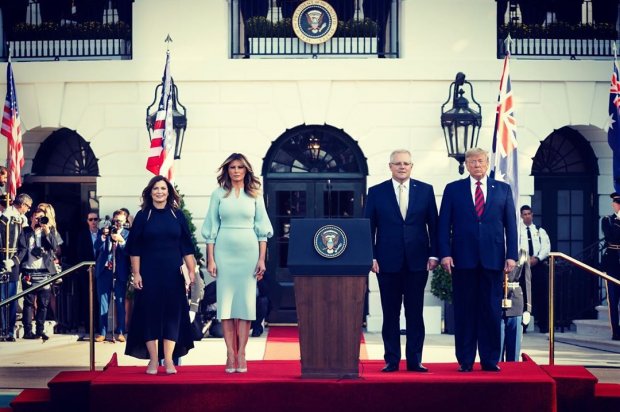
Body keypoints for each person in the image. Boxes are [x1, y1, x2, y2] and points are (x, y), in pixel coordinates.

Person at [438, 147, 518, 372]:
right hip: (462, 260)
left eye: (480, 161)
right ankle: (465, 360)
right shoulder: (453, 189)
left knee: (491, 311)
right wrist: (445, 253)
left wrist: (511, 255)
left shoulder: (502, 189)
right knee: (464, 311)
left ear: (487, 163)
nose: (477, 165)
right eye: (472, 161)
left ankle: (490, 360)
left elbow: (511, 226)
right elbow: (443, 224)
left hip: (493, 260)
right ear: (466, 164)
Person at [363, 149, 438, 373]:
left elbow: (434, 225)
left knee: (415, 313)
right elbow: (368, 227)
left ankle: (415, 360)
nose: (402, 167)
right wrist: (370, 256)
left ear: (411, 166)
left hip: (418, 262)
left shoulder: (425, 190)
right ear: (390, 167)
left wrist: (434, 254)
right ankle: (392, 360)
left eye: (406, 163)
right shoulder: (376, 192)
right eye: (397, 163)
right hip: (387, 263)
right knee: (390, 314)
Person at [201, 153, 273, 373]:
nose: (236, 171)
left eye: (240, 167)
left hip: (249, 254)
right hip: (224, 253)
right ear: (227, 170)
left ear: (246, 170)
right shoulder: (218, 194)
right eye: (232, 167)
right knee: (226, 306)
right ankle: (230, 354)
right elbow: (211, 228)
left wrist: (261, 259)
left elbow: (262, 230)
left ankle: (241, 353)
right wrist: (211, 259)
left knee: (244, 305)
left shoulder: (255, 195)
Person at [124, 175, 196, 375]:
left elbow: (186, 246)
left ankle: (169, 360)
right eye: (156, 188)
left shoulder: (177, 215)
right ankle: (154, 360)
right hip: (149, 273)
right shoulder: (143, 216)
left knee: (172, 316)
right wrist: (136, 273)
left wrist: (191, 271)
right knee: (150, 315)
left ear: (168, 192)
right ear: (150, 192)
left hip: (173, 273)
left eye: (163, 188)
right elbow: (135, 248)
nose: (159, 192)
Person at [15, 207, 61, 340]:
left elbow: (55, 247)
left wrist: (46, 231)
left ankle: (40, 330)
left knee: (43, 304)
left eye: (42, 218)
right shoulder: (25, 231)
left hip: (44, 272)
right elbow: (22, 248)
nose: (39, 221)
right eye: (36, 218)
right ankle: (28, 331)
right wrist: (33, 230)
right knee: (29, 303)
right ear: (31, 218)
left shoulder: (49, 231)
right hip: (29, 271)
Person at [94, 209, 130, 342]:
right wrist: (104, 237)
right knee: (103, 304)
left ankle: (120, 332)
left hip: (119, 272)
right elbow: (96, 246)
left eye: (120, 221)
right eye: (115, 221)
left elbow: (129, 252)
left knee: (120, 302)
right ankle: (102, 332)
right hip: (104, 271)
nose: (117, 223)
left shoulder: (128, 234)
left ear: (125, 221)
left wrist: (121, 241)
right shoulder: (104, 231)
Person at [0, 193, 31, 341]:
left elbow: (23, 248)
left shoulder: (20, 222)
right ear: (22, 204)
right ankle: (2, 330)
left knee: (11, 299)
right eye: (28, 206)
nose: (28, 210)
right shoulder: (3, 219)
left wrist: (13, 261)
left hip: (12, 266)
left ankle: (10, 331)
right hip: (0, 264)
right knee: (1, 298)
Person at [519, 205, 550, 333]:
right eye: (524, 214)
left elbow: (546, 247)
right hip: (523, 267)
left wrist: (537, 258)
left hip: (538, 266)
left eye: (529, 214)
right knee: (524, 298)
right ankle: (523, 327)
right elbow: (516, 247)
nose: (527, 216)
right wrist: (526, 259)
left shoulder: (540, 230)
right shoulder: (518, 232)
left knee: (542, 296)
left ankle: (544, 325)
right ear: (521, 216)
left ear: (532, 214)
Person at [500, 249, 532, 362]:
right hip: (497, 300)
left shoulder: (522, 253)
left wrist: (528, 308)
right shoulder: (493, 250)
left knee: (514, 350)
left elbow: (526, 282)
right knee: (496, 350)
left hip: (516, 301)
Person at [75, 211, 101, 335]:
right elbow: (79, 253)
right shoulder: (82, 235)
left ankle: (99, 327)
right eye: (91, 219)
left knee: (99, 299)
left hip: (101, 272)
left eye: (95, 219)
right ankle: (88, 326)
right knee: (87, 299)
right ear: (87, 221)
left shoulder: (103, 234)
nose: (93, 222)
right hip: (87, 272)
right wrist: (87, 267)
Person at [601, 193, 620, 341]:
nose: (617, 205)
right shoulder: (607, 220)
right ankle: (616, 331)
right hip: (613, 262)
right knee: (613, 300)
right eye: (616, 202)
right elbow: (611, 236)